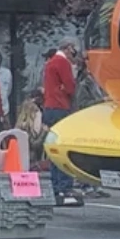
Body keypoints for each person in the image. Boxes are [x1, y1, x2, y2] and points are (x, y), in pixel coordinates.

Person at [42, 37, 80, 200]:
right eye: (73, 49)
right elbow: (71, 87)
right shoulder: (62, 63)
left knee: (53, 147)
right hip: (60, 108)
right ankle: (65, 185)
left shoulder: (50, 63)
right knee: (64, 146)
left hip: (49, 107)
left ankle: (56, 184)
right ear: (68, 48)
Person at [16, 87, 48, 170]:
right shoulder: (27, 128)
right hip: (30, 161)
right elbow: (35, 145)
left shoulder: (20, 125)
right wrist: (44, 132)